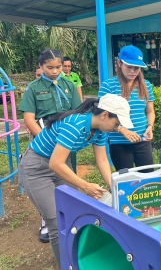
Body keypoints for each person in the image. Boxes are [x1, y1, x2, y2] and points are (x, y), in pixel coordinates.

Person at [19, 94, 132, 267]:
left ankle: (78, 260)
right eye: (116, 123)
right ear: (104, 115)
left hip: (61, 164)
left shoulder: (100, 131)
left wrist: (114, 189)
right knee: (56, 222)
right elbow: (55, 163)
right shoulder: (75, 124)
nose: (117, 128)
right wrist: (85, 185)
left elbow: (102, 160)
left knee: (76, 214)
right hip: (37, 168)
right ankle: (65, 265)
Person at [19, 49, 81, 244]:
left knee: (69, 190)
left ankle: (72, 230)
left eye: (59, 67)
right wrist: (47, 140)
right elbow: (29, 119)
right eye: (50, 67)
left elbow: (77, 113)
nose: (55, 71)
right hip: (41, 143)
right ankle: (47, 221)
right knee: (44, 191)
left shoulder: (69, 86)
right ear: (41, 67)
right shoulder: (34, 88)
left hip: (65, 144)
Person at [98, 45, 155, 171]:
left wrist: (150, 126)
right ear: (119, 63)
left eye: (137, 68)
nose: (133, 71)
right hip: (119, 143)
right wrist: (122, 130)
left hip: (143, 141)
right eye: (129, 67)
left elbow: (150, 111)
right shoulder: (108, 86)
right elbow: (101, 118)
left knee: (149, 178)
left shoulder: (146, 86)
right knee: (126, 181)